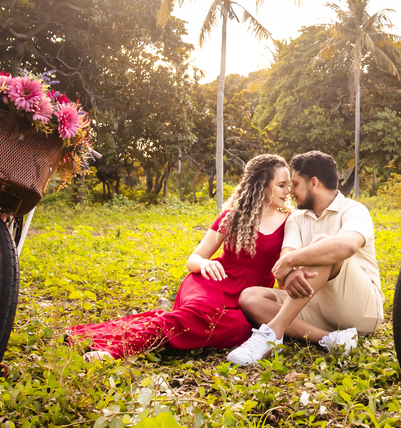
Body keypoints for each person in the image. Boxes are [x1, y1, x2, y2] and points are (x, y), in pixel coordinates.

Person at [67, 154, 291, 359]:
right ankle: (117, 350)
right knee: (200, 314)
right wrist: (203, 263)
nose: (288, 191)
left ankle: (120, 332)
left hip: (250, 295)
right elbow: (193, 259)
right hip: (213, 283)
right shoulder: (233, 216)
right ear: (262, 184)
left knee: (238, 329)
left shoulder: (291, 221)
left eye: (289, 185)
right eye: (282, 185)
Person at [227, 151, 383, 365]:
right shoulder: (296, 219)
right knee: (250, 297)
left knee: (323, 242)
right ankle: (329, 339)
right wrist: (289, 268)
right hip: (315, 304)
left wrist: (291, 263)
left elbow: (346, 246)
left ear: (314, 183)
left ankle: (273, 333)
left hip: (361, 310)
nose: (290, 191)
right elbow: (285, 260)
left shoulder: (354, 210)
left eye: (296, 183)